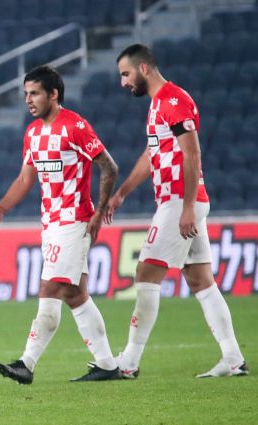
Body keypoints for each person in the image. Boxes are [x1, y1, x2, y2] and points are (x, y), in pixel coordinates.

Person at [106, 44, 248, 378]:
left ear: (143, 69)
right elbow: (150, 155)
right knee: (201, 281)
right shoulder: (157, 105)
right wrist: (122, 193)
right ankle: (233, 358)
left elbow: (192, 153)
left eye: (126, 74)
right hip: (179, 201)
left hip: (179, 200)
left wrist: (186, 208)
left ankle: (129, 362)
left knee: (145, 274)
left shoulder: (173, 100)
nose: (123, 82)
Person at [0, 65, 120, 383]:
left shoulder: (75, 127)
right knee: (75, 294)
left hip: (74, 221)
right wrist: (0, 210)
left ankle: (26, 363)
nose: (28, 100)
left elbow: (109, 167)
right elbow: (25, 179)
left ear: (53, 94)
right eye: (26, 94)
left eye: (35, 93)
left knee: (50, 288)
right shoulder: (32, 133)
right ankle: (107, 364)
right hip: (50, 223)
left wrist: (99, 212)